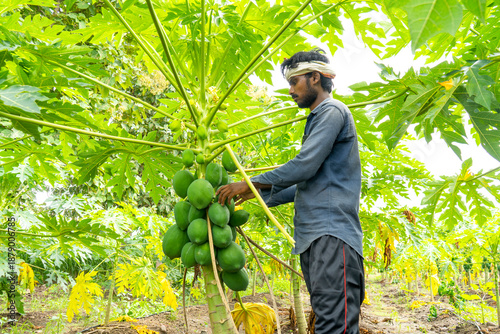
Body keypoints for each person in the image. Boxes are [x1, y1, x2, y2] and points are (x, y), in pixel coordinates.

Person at [216, 49, 364, 334]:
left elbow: (304, 166)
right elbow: (306, 185)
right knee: (326, 320)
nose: (290, 90)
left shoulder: (332, 111)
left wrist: (251, 182)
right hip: (315, 240)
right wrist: (257, 194)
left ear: (315, 78)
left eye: (294, 82)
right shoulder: (318, 118)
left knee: (335, 327)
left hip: (332, 236)